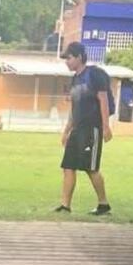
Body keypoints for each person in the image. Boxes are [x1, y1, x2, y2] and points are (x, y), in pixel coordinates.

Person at [56, 42, 113, 216]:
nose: (67, 61)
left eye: (69, 58)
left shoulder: (94, 75)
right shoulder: (75, 79)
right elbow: (74, 108)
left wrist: (105, 127)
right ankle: (65, 205)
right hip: (77, 129)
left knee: (91, 167)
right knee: (68, 166)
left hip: (92, 129)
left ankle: (103, 204)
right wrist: (67, 131)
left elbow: (103, 100)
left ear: (79, 57)